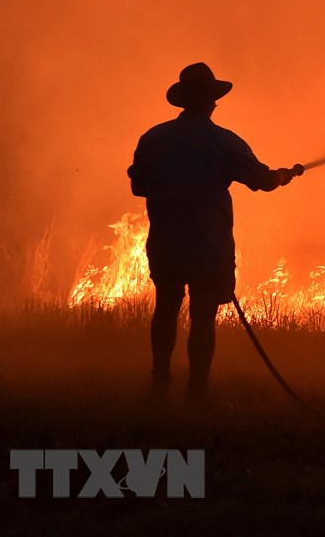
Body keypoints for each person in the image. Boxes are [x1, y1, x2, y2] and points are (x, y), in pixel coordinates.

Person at [128, 62, 302, 405]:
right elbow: (261, 181)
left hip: (166, 242)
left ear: (182, 102)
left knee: (165, 310)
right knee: (203, 318)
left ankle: (159, 382)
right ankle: (197, 390)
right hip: (209, 245)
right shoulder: (223, 142)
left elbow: (139, 187)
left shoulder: (153, 139)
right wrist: (282, 175)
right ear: (211, 103)